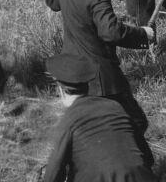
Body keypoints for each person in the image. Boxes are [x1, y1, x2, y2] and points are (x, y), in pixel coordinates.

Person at [45, 0, 155, 142]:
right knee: (135, 123)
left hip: (72, 69)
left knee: (87, 125)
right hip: (100, 75)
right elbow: (110, 32)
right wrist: (143, 34)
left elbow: (52, 1)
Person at [42, 52, 156, 182]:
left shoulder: (69, 119)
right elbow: (147, 156)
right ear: (88, 85)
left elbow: (54, 172)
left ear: (60, 90)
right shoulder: (115, 106)